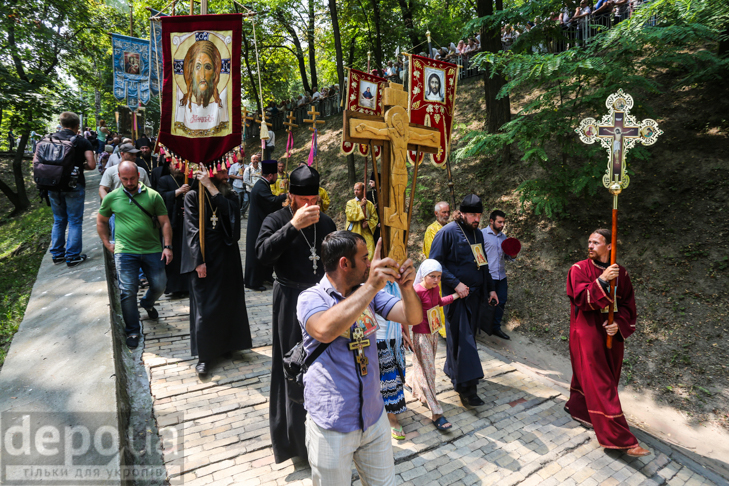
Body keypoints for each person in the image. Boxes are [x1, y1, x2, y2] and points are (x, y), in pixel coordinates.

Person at [296, 233, 422, 485]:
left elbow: (412, 317)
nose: (369, 264)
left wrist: (407, 289)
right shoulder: (311, 297)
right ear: (345, 264)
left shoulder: (369, 295)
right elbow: (324, 330)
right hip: (332, 423)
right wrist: (371, 286)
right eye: (364, 259)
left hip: (374, 418)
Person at [255, 165, 337, 465]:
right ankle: (294, 444)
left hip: (321, 301)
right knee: (293, 366)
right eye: (303, 201)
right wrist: (293, 226)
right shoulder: (275, 219)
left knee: (324, 363)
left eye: (314, 200)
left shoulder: (325, 221)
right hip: (289, 300)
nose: (310, 206)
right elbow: (262, 254)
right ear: (290, 197)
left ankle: (325, 430)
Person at [565, 229, 651, 457]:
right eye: (589, 242)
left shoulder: (621, 273)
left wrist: (619, 325)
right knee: (602, 384)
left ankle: (580, 409)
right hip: (586, 332)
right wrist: (602, 280)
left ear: (609, 247)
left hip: (610, 333)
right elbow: (582, 299)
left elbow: (627, 305)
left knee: (604, 378)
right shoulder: (579, 269)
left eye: (596, 242)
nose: (590, 246)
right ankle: (622, 440)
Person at [428, 194, 498, 407]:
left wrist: (491, 289)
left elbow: (483, 264)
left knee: (465, 339)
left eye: (479, 215)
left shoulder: (477, 234)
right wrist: (456, 282)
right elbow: (434, 263)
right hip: (456, 297)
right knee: (463, 340)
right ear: (462, 214)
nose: (476, 219)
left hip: (475, 296)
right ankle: (467, 390)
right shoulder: (447, 233)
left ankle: (455, 371)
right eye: (472, 215)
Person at [181, 169, 252, 376]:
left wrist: (212, 189)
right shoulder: (193, 196)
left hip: (227, 254)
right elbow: (192, 230)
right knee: (206, 305)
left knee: (227, 301)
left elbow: (232, 216)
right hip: (204, 257)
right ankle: (205, 356)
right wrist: (199, 261)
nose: (226, 175)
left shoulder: (228, 195)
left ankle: (226, 345)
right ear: (209, 173)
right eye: (221, 172)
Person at [96, 161, 172, 349]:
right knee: (127, 291)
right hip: (125, 251)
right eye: (125, 179)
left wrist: (168, 246)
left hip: (152, 249)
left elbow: (165, 222)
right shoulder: (112, 197)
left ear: (139, 176)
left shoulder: (153, 196)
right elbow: (101, 221)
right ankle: (132, 330)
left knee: (160, 285)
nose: (129, 182)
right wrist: (107, 243)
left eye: (132, 178)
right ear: (119, 178)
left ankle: (147, 302)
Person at [408, 259, 459, 431]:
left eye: (439, 277)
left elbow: (438, 303)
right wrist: (404, 335)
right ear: (423, 275)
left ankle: (414, 385)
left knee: (423, 368)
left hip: (434, 333)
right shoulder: (416, 291)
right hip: (421, 336)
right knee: (429, 371)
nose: (436, 280)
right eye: (432, 276)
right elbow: (406, 312)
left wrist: (455, 296)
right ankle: (436, 412)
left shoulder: (435, 288)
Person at [44, 112, 97, 267]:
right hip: (74, 185)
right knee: (74, 220)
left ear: (61, 123)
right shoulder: (81, 142)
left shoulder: (48, 139)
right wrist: (79, 166)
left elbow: (37, 161)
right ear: (77, 126)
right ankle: (73, 256)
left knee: (59, 220)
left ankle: (57, 255)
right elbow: (92, 165)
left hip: (52, 184)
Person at [374, 280, 411, 440]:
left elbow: (404, 310)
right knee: (386, 380)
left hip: (395, 338)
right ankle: (391, 417)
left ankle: (390, 410)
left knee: (397, 376)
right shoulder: (371, 284)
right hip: (379, 338)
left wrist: (406, 334)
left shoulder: (397, 285)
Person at [244, 160, 286, 291]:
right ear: (270, 175)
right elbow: (271, 202)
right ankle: (253, 282)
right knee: (257, 252)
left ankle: (266, 275)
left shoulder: (263, 184)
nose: (276, 178)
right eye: (275, 175)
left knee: (268, 250)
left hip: (261, 222)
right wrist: (285, 197)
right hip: (257, 224)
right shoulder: (261, 186)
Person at [156, 162, 192, 296]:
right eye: (174, 165)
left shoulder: (189, 179)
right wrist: (178, 192)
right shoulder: (164, 180)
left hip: (187, 222)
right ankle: (175, 288)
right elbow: (161, 198)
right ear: (169, 166)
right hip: (172, 223)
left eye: (180, 165)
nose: (177, 167)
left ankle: (188, 286)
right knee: (174, 255)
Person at [482, 210, 513, 340]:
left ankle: (495, 327)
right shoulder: (481, 235)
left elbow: (507, 257)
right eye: (499, 222)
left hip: (501, 276)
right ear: (491, 221)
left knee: (502, 301)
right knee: (483, 302)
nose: (502, 225)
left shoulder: (503, 237)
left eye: (503, 222)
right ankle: (479, 327)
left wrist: (513, 255)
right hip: (487, 276)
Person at [423, 201, 450, 339]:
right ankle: (442, 331)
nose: (446, 215)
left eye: (447, 212)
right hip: (437, 271)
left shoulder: (451, 227)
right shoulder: (431, 230)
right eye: (443, 212)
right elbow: (431, 253)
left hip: (450, 271)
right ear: (436, 213)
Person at [345, 182, 378, 260]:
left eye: (358, 190)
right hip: (354, 233)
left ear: (363, 190)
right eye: (354, 190)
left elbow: (375, 218)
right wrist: (360, 206)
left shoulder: (369, 204)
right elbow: (350, 215)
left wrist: (368, 223)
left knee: (370, 254)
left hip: (366, 233)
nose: (355, 192)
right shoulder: (350, 203)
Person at [242, 153, 262, 217]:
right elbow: (245, 180)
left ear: (258, 160)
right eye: (254, 159)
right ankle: (253, 216)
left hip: (259, 190)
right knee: (252, 204)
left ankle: (258, 215)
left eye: (256, 159)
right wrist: (252, 185)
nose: (255, 160)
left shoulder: (261, 169)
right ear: (251, 161)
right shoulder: (248, 169)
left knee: (259, 203)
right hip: (250, 190)